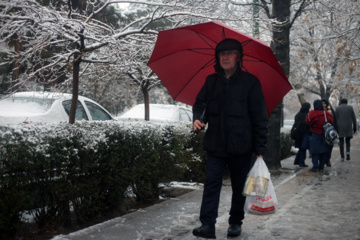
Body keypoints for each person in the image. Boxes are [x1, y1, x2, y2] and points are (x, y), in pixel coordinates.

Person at [192, 38, 268, 239]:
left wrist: (260, 148)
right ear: (217, 58)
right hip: (216, 144)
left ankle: (235, 222)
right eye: (222, 53)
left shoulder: (250, 83)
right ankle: (207, 224)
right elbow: (199, 105)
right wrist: (197, 119)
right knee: (212, 183)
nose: (225, 57)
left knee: (238, 187)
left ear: (238, 57)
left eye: (230, 53)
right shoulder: (211, 81)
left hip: (241, 145)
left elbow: (260, 117)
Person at [305, 99, 334, 172]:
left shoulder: (311, 113)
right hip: (325, 135)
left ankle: (315, 166)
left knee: (315, 151)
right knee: (323, 150)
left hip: (315, 134)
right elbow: (332, 121)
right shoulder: (327, 113)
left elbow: (307, 122)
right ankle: (321, 166)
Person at [292, 102, 311, 167]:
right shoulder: (307, 115)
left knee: (301, 148)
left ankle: (297, 161)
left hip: (297, 134)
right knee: (303, 148)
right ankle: (301, 162)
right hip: (304, 134)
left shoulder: (298, 115)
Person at [321, 98, 337, 167]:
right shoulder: (319, 111)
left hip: (329, 133)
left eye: (324, 103)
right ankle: (323, 160)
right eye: (322, 103)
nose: (323, 105)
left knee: (329, 147)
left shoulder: (331, 112)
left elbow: (335, 121)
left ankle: (328, 160)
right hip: (322, 133)